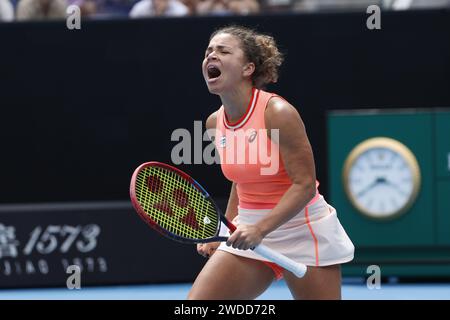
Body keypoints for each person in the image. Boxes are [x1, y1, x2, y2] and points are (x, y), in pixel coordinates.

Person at [188, 25, 354, 300]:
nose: (211, 56)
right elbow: (239, 182)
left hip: (301, 228)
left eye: (223, 50)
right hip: (248, 229)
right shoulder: (215, 123)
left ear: (247, 68)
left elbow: (305, 186)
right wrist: (226, 227)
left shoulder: (277, 113)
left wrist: (261, 229)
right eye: (208, 51)